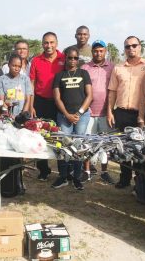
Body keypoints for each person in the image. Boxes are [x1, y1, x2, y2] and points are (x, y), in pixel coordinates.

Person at [107, 36, 145, 189]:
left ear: (140, 47)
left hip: (141, 114)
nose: (131, 49)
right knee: (123, 147)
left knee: (141, 149)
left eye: (134, 45)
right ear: (124, 49)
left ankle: (140, 182)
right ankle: (124, 178)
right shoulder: (118, 68)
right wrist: (110, 112)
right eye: (127, 46)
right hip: (121, 113)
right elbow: (112, 92)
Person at [52, 47, 92, 191]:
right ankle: (63, 176)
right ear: (65, 58)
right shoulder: (59, 76)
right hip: (64, 116)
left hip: (82, 116)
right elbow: (57, 98)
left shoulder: (84, 73)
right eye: (70, 58)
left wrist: (79, 113)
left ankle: (76, 178)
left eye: (76, 58)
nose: (73, 60)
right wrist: (67, 114)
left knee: (78, 147)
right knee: (63, 147)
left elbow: (89, 95)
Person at [29, 32, 65, 181]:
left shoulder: (65, 58)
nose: (49, 46)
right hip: (40, 102)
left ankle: (63, 171)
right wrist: (31, 105)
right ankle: (43, 169)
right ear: (42, 44)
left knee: (60, 136)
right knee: (39, 135)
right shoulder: (36, 60)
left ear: (56, 43)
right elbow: (31, 84)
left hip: (60, 103)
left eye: (51, 42)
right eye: (46, 43)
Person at [81, 40, 115, 184]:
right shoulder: (85, 67)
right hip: (89, 112)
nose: (98, 53)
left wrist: (111, 111)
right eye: (95, 51)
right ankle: (87, 171)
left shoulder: (112, 67)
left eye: (101, 51)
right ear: (92, 52)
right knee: (87, 143)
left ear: (105, 51)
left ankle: (104, 171)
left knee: (105, 144)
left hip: (105, 113)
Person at [0, 53, 33, 117]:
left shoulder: (25, 79)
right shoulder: (1, 80)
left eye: (19, 66)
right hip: (7, 116)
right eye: (14, 66)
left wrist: (22, 116)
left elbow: (27, 100)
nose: (16, 68)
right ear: (9, 65)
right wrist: (7, 115)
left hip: (22, 115)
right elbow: (1, 100)